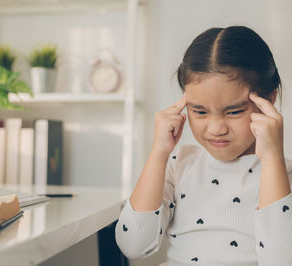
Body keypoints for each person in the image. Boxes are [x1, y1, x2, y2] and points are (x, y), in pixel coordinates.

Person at [115, 26, 292, 265]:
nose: (216, 127)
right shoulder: (179, 164)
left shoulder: (284, 175)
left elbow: (281, 260)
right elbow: (133, 246)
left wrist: (272, 160)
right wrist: (159, 152)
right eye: (200, 111)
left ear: (267, 102)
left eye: (234, 111)